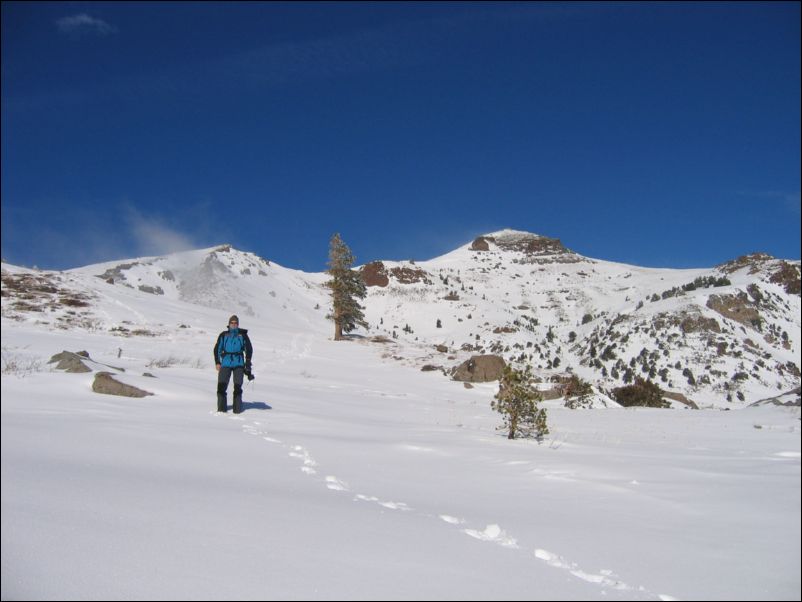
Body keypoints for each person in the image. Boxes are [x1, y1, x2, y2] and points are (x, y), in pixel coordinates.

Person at [213, 315, 253, 413]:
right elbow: (217, 349)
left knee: (238, 386)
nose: (234, 324)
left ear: (238, 324)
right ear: (229, 324)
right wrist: (218, 362)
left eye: (235, 323)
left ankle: (237, 410)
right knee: (221, 386)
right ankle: (221, 410)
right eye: (232, 323)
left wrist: (247, 362)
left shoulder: (242, 335)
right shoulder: (224, 335)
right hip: (226, 363)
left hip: (238, 363)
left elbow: (249, 349)